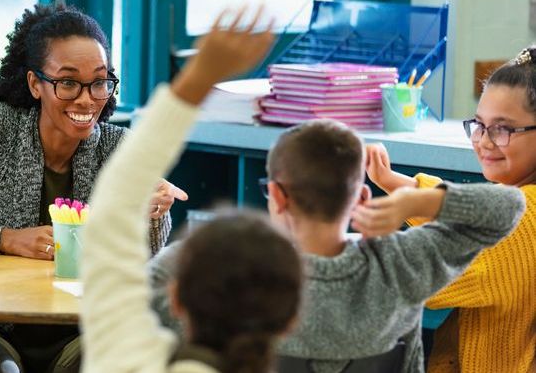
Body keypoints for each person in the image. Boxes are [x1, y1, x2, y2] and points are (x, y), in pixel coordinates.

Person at [148, 102, 526, 371]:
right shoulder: (403, 262)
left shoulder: (228, 269)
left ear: (277, 196)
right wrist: (412, 197)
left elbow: (131, 293)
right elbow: (508, 206)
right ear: (361, 196)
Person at [82, 6, 304, 373]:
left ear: (176, 298)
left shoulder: (125, 359)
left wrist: (200, 77)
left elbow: (111, 210)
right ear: (291, 322)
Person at [0, 3, 186, 260]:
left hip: (79, 321)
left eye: (99, 82)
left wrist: (152, 213)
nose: (86, 98)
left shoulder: (119, 148)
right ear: (35, 84)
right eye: (67, 83)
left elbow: (144, 255)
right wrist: (4, 239)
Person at [366, 46, 536, 373]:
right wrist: (391, 182)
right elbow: (463, 210)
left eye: (502, 129)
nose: (484, 142)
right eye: (478, 124)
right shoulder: (517, 197)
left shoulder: (521, 219)